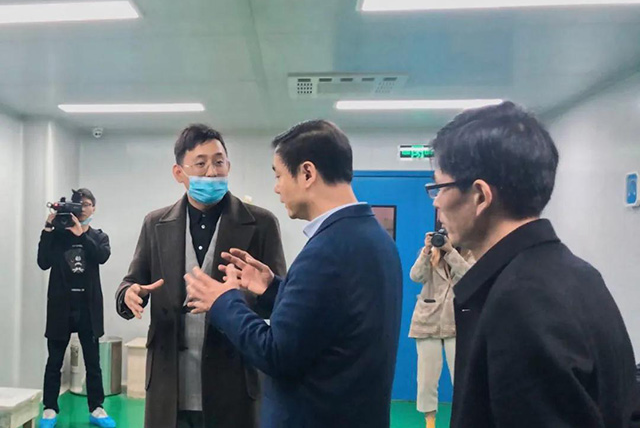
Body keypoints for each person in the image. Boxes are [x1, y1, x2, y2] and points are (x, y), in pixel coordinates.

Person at [427, 101, 640, 428]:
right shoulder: (579, 274)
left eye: (440, 188)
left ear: (480, 196)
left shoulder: (519, 300)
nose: (437, 202)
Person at [184, 120, 403, 428]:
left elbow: (276, 354)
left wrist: (224, 301)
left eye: (278, 175)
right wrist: (273, 289)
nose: (276, 187)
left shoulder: (326, 251)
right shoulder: (374, 238)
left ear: (307, 173)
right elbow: (327, 320)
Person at [115, 124, 285, 428]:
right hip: (169, 382)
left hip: (233, 380)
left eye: (219, 162)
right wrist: (128, 294)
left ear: (229, 165)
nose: (211, 172)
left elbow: (279, 301)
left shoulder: (261, 224)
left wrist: (242, 297)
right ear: (179, 172)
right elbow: (132, 281)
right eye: (201, 163)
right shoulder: (155, 224)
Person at [38, 188, 115, 428]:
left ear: (94, 208)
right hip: (60, 307)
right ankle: (50, 408)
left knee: (93, 362)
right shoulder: (58, 236)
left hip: (88, 307)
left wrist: (82, 235)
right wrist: (48, 228)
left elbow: (101, 256)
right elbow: (43, 262)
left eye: (87, 204)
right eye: (78, 204)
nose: (82, 209)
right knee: (54, 361)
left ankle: (97, 408)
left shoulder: (99, 236)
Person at [409, 231, 474, 428]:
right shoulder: (430, 255)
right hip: (428, 322)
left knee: (462, 377)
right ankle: (430, 422)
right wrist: (426, 250)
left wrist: (451, 252)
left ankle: (465, 419)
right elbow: (416, 276)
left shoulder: (471, 254)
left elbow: (471, 277)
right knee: (426, 379)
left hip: (456, 323)